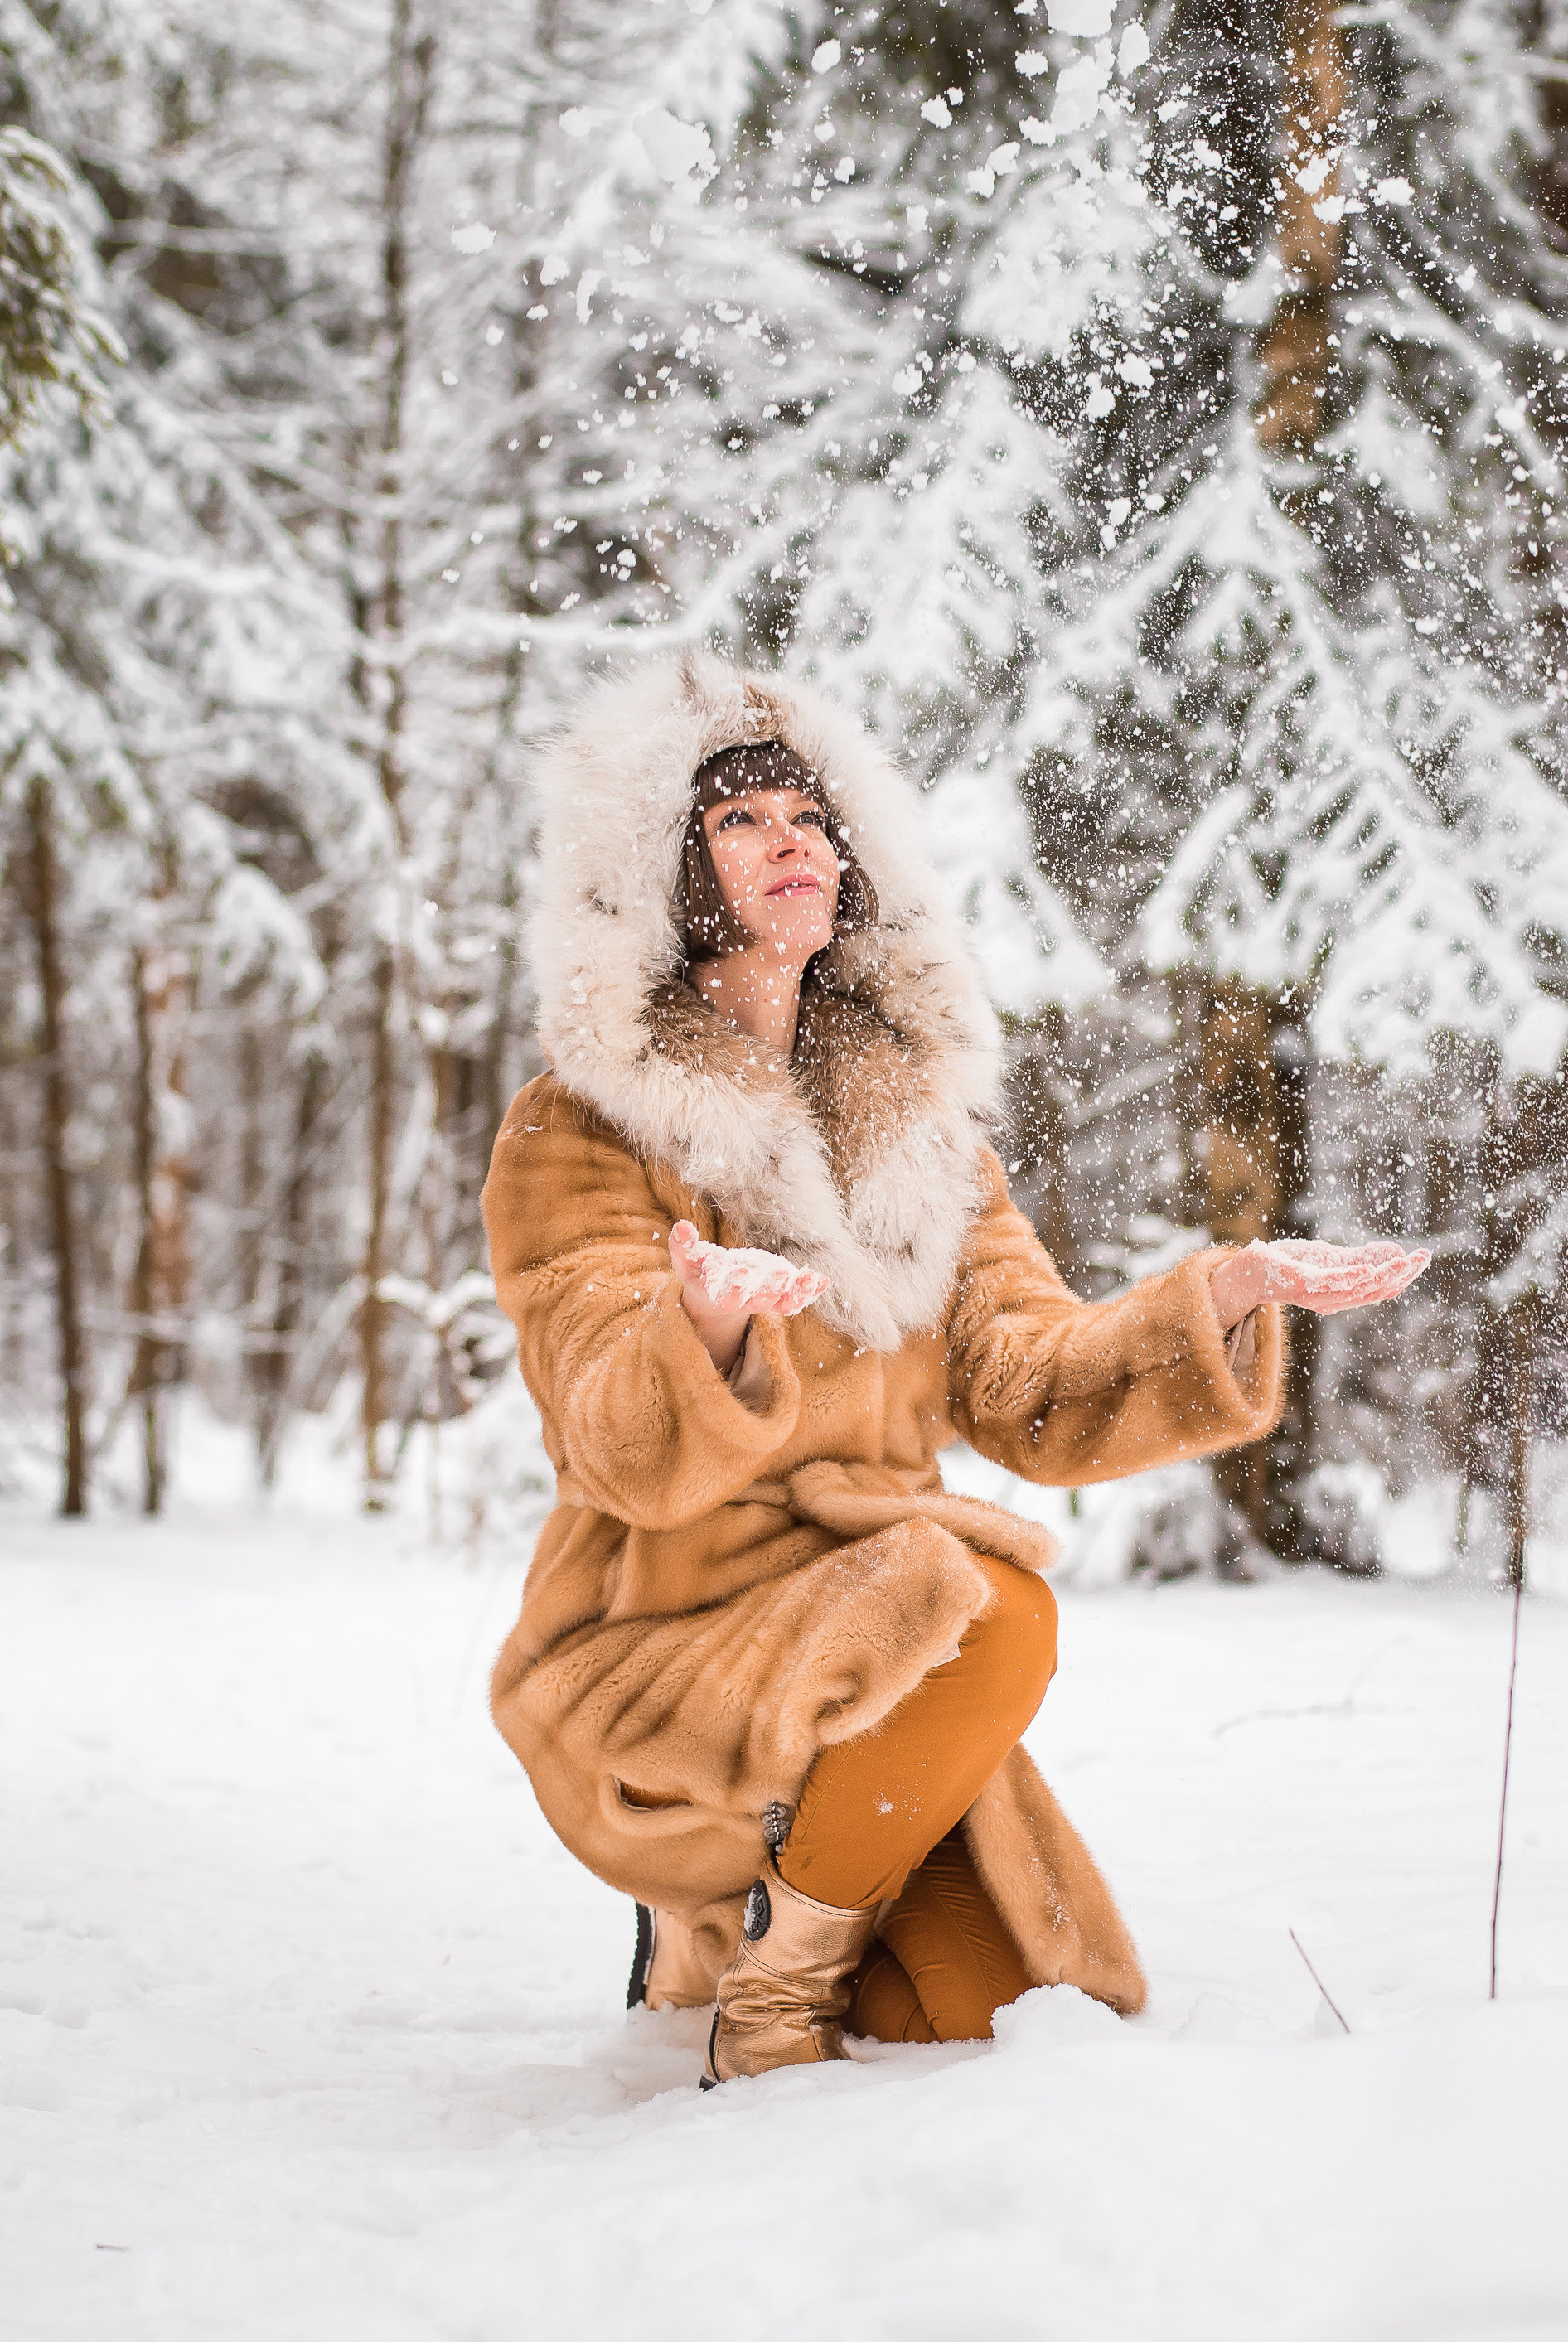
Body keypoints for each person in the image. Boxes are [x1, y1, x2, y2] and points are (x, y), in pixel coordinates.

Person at [482, 654, 1425, 2087]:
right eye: (740, 821)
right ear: (663, 878)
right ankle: (769, 1993)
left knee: (988, 2014)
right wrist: (709, 1331)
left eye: (810, 814)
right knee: (992, 1603)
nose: (792, 837)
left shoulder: (925, 1139)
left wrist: (1215, 1296)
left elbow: (1029, 1381)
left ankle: (741, 1924)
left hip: (882, 1662)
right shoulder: (582, 1126)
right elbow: (609, 1433)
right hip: (670, 1652)